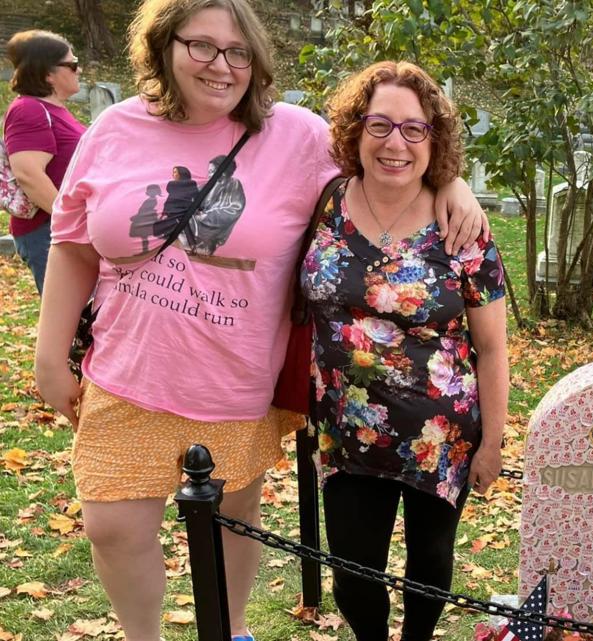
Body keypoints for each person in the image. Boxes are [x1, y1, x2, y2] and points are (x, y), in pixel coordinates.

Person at [32, 1, 487, 640]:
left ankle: (232, 630)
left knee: (231, 519)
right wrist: (50, 355)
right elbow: (73, 240)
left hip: (233, 379)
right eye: (202, 46)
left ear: (256, 61)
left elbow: (389, 165)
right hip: (126, 369)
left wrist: (451, 183)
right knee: (111, 527)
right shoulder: (113, 129)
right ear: (163, 47)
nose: (221, 66)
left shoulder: (295, 136)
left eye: (238, 52)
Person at [301, 61, 507, 641]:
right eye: (380, 125)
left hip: (438, 435)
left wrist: (492, 443)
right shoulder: (326, 203)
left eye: (415, 129)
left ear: (433, 139)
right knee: (352, 574)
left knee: (430, 565)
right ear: (355, 131)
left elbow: (491, 348)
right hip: (346, 431)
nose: (396, 142)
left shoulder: (461, 228)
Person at [3, 30, 86, 294]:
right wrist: (70, 220)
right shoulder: (29, 110)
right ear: (47, 73)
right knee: (72, 320)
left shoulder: (54, 110)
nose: (79, 69)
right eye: (72, 64)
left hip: (62, 229)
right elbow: (28, 174)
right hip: (47, 232)